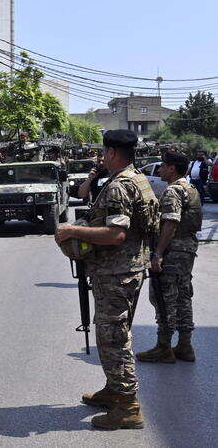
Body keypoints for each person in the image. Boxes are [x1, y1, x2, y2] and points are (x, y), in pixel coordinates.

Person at [55, 129, 158, 430]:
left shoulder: (119, 186)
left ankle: (127, 407)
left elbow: (116, 234)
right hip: (128, 270)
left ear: (112, 152)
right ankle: (115, 389)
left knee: (113, 338)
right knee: (116, 333)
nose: (101, 156)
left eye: (103, 152)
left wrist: (72, 231)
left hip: (117, 273)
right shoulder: (138, 179)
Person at [137, 152, 202, 363]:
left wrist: (157, 254)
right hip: (187, 250)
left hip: (172, 251)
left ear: (172, 168)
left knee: (164, 297)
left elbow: (171, 223)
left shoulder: (173, 191)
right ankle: (185, 345)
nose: (161, 170)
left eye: (163, 166)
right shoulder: (190, 188)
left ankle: (163, 347)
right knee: (183, 296)